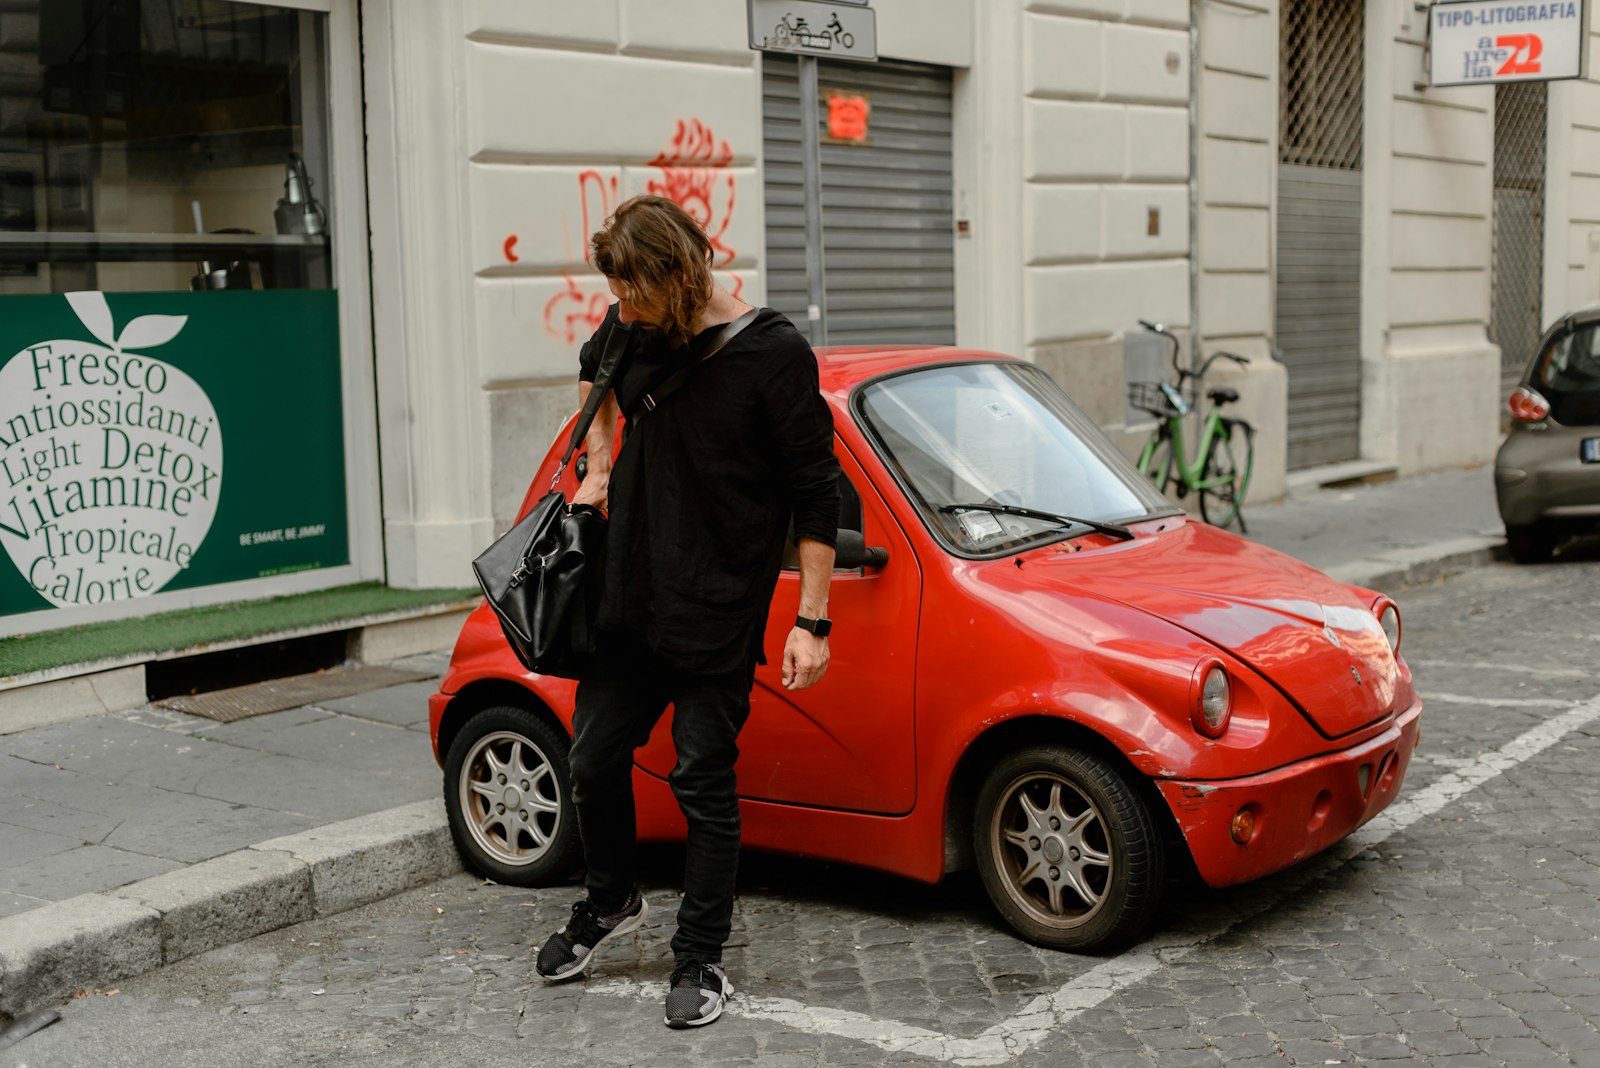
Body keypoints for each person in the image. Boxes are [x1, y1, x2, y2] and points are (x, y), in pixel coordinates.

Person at [534, 195, 842, 1029]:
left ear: (678, 275)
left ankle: (700, 955)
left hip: (717, 604)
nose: (622, 308)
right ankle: (610, 901)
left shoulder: (774, 355)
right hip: (628, 592)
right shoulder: (633, 324)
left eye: (633, 291)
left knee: (702, 779)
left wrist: (812, 622)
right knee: (593, 760)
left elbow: (820, 496)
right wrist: (598, 464)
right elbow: (593, 370)